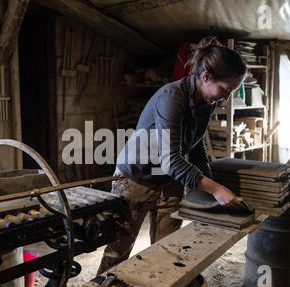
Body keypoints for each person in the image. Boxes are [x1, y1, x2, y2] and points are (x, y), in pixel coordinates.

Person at [97, 37, 247, 274]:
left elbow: (196, 147)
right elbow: (172, 160)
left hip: (169, 180)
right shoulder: (171, 97)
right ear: (206, 76)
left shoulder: (206, 102)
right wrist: (216, 190)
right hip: (135, 178)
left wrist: (210, 190)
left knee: (168, 250)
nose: (226, 98)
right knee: (118, 251)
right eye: (226, 90)